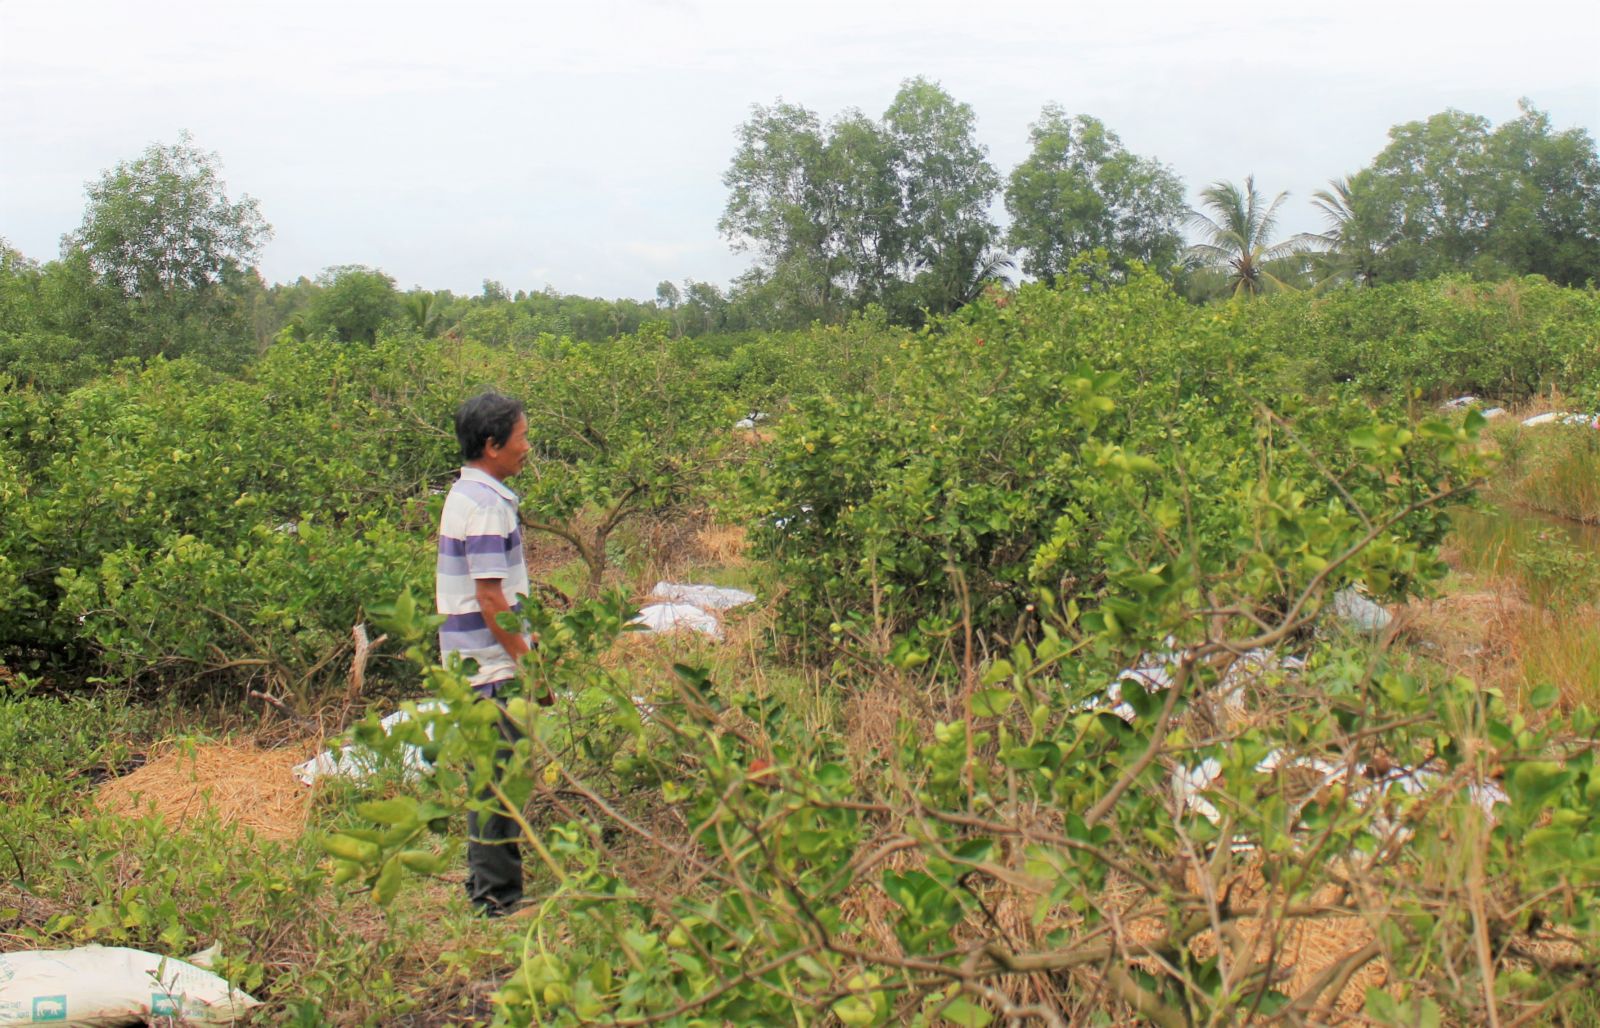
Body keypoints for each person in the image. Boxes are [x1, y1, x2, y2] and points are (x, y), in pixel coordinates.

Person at [436, 390, 543, 917]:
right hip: (487, 666)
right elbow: (489, 596)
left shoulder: (473, 496)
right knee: (496, 782)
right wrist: (525, 659)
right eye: (521, 438)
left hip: (474, 662)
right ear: (492, 444)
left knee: (492, 777)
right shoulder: (482, 507)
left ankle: (490, 887)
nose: (527, 448)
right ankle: (496, 900)